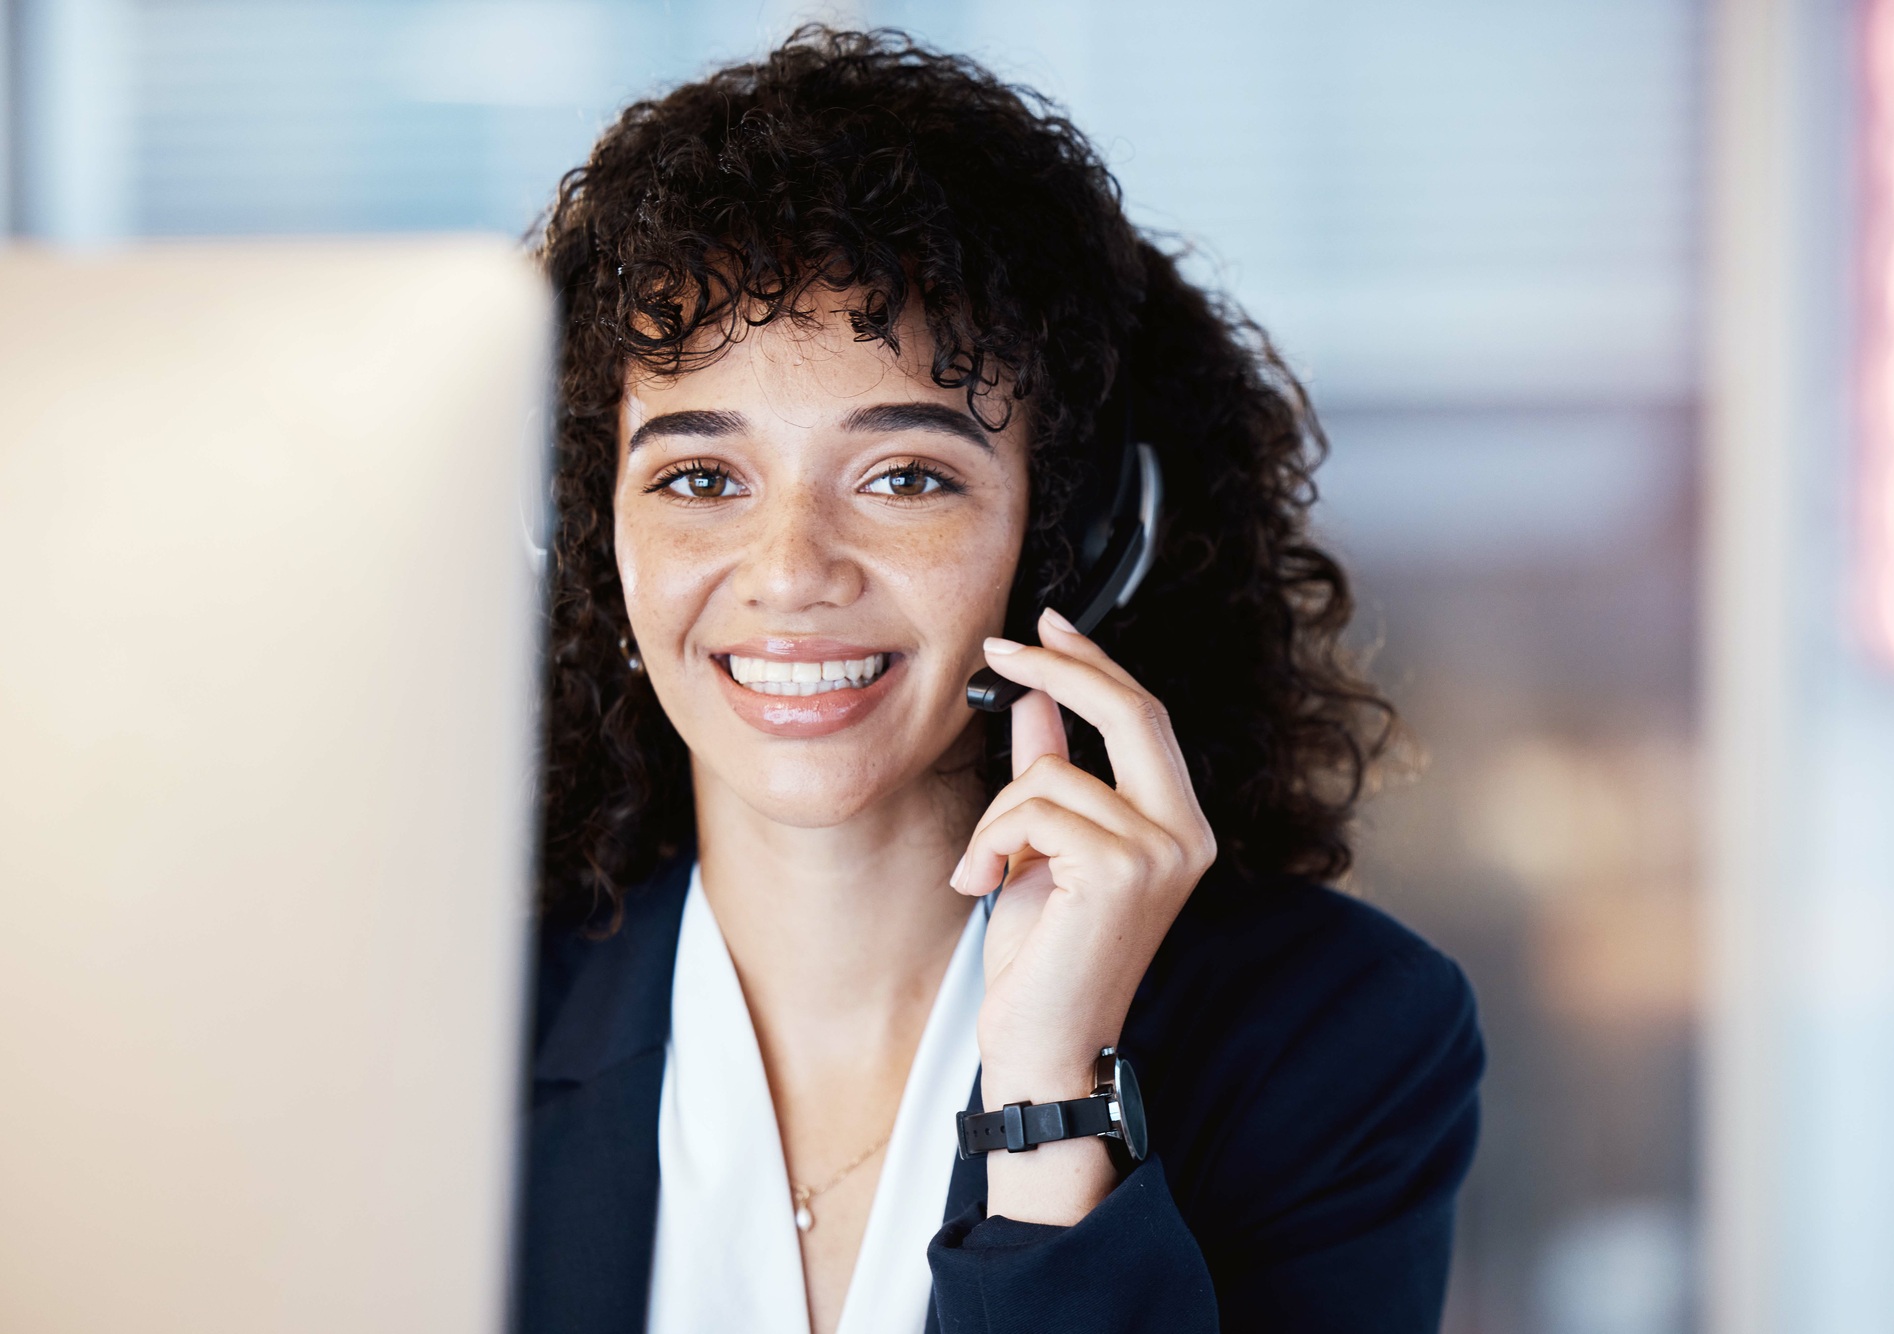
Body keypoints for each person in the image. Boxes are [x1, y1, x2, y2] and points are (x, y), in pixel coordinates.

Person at [514, 27, 1483, 1334]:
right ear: (595, 536)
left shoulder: (1329, 1038)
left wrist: (1054, 1108)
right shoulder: (449, 1032)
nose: (790, 570)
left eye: (906, 476)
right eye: (701, 478)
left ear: (1071, 542)